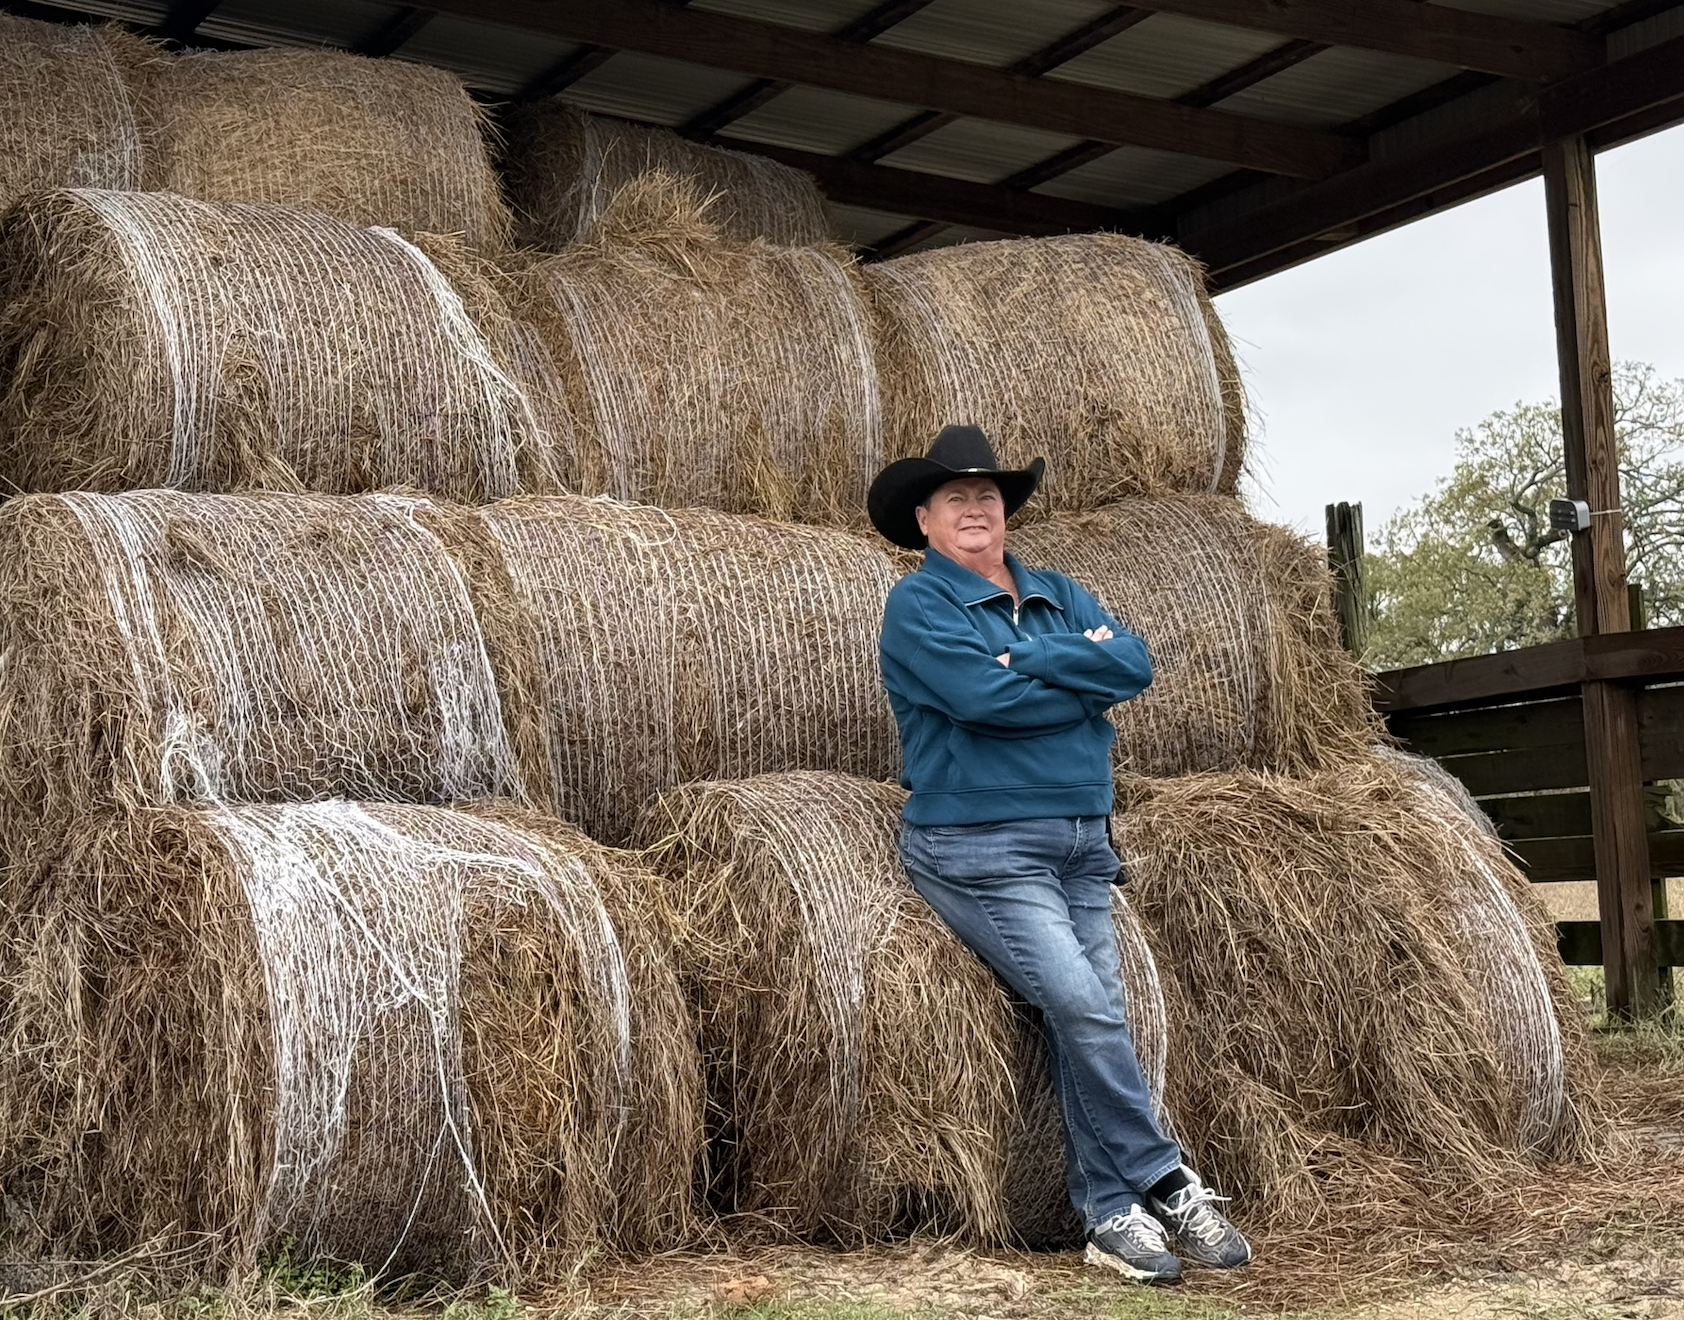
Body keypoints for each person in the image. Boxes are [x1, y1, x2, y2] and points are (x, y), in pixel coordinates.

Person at [869, 424, 1252, 1286]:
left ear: (1006, 511)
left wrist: (1035, 657)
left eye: (989, 495)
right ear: (925, 519)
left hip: (1083, 839)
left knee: (1093, 1014)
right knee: (1082, 1003)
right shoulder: (919, 606)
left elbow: (1136, 665)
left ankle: (1109, 1215)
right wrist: (1082, 684)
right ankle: (1163, 1175)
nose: (976, 508)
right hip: (979, 844)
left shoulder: (1057, 593)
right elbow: (985, 700)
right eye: (956, 498)